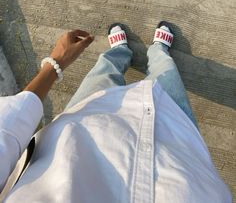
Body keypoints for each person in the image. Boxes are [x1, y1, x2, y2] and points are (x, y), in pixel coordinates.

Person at [0, 22, 232, 202]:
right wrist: (54, 64)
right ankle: (158, 52)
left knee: (103, 73)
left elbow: (6, 132)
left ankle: (120, 52)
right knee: (166, 75)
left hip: (85, 127)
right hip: (175, 142)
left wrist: (55, 63)